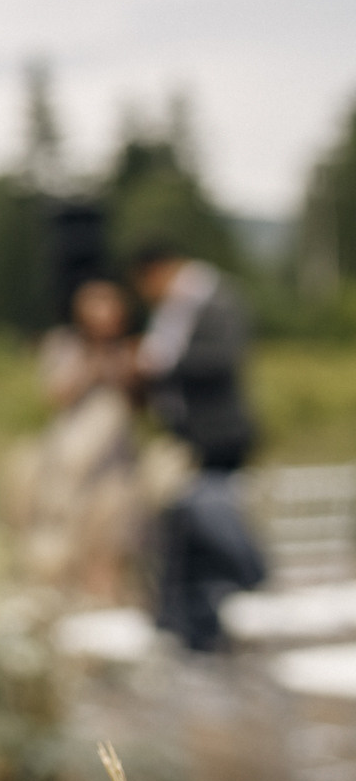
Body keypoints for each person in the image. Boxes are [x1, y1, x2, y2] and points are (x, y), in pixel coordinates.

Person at [131, 240, 267, 651]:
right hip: (189, 434)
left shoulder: (216, 299)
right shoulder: (178, 309)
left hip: (218, 433)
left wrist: (161, 365)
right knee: (187, 528)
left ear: (159, 270)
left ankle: (251, 572)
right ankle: (192, 622)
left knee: (209, 517)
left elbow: (223, 359)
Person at [5, 279, 142, 602]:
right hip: (70, 456)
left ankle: (105, 600)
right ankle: (65, 599)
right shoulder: (64, 344)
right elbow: (55, 395)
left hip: (116, 459)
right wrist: (93, 364)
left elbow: (141, 402)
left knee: (112, 536)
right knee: (62, 531)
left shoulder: (131, 349)